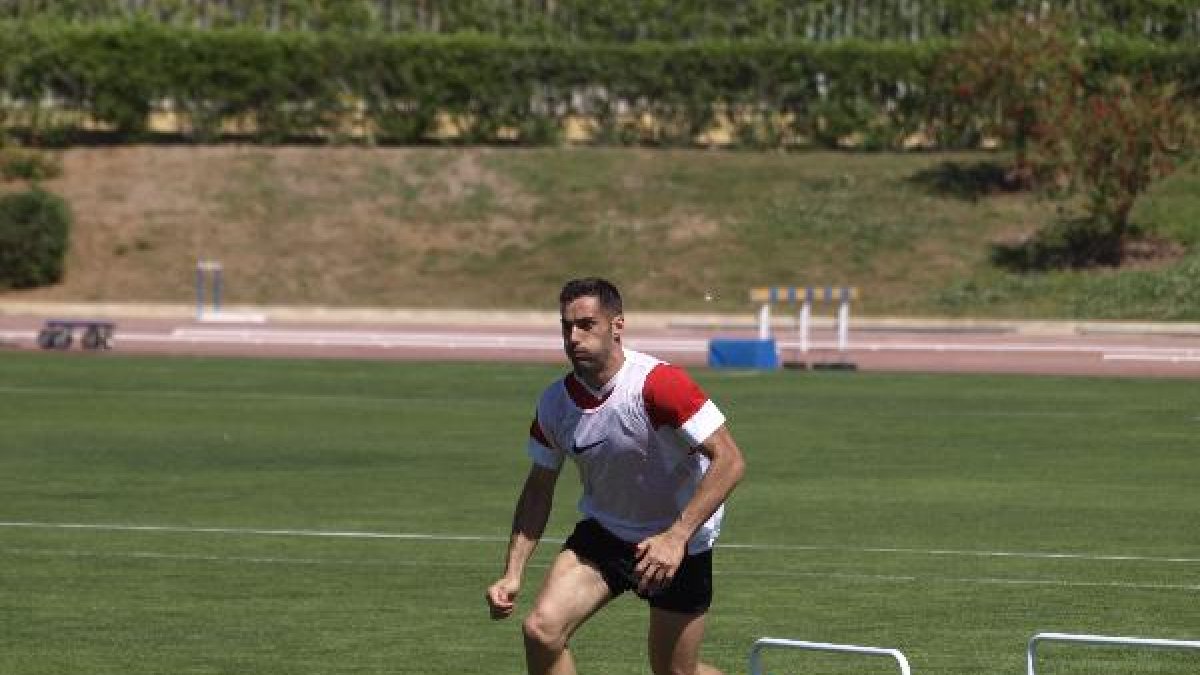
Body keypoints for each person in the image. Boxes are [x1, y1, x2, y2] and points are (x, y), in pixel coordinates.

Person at [485, 277, 747, 675]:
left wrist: (676, 537)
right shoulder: (555, 402)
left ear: (617, 325)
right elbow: (539, 487)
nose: (574, 337)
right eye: (566, 326)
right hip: (605, 534)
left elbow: (729, 460)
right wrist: (512, 572)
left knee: (676, 672)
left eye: (586, 324)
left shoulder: (659, 384)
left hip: (679, 543)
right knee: (542, 631)